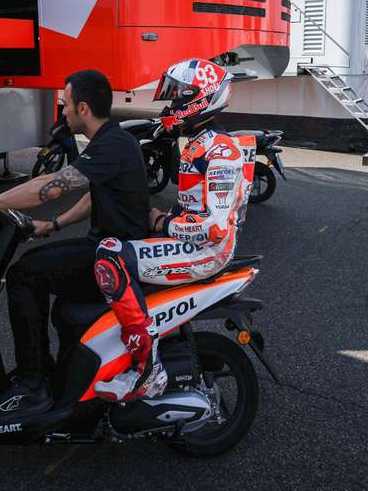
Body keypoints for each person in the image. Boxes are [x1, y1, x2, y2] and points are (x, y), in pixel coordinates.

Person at [0, 69, 150, 418]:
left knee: (24, 274)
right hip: (109, 250)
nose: (61, 112)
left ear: (83, 108)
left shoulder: (112, 144)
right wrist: (54, 223)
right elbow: (97, 195)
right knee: (46, 273)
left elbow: (50, 186)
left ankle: (33, 380)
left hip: (116, 258)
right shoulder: (112, 142)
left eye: (65, 105)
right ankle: (55, 373)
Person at [91, 58, 256, 402]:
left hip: (208, 252)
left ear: (201, 99)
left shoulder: (222, 151)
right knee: (120, 244)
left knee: (111, 256)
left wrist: (162, 223)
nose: (171, 105)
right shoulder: (200, 142)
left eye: (179, 97)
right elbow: (191, 208)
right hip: (193, 245)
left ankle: (147, 369)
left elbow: (212, 227)